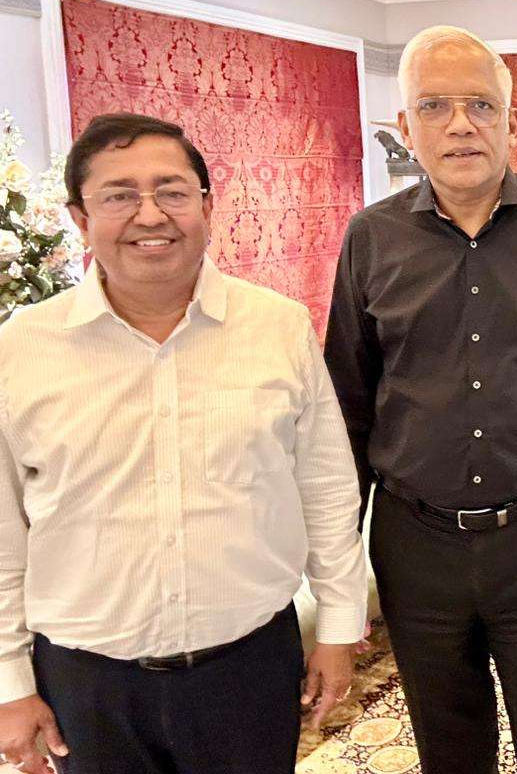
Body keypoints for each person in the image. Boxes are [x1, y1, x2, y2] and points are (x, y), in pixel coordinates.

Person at [0, 113, 367, 774]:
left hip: (249, 667)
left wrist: (339, 627)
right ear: (80, 218)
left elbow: (326, 488)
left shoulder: (277, 328)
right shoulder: (21, 348)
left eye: (171, 191)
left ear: (206, 206)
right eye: (119, 195)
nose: (150, 215)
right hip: (88, 684)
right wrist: (9, 683)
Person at [324, 26, 517, 774]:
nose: (461, 124)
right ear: (407, 127)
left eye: (481, 105)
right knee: (449, 749)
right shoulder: (370, 238)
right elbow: (347, 406)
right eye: (436, 106)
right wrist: (337, 568)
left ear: (510, 122)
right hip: (414, 541)